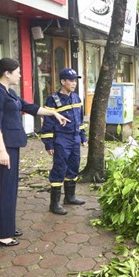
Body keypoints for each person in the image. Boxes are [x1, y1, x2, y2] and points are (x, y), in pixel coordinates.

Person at [0, 58, 68, 247]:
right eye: (17, 71)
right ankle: (0, 234)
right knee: (4, 188)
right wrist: (2, 151)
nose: (20, 75)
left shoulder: (9, 91)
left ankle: (7, 226)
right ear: (7, 73)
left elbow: (30, 107)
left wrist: (53, 113)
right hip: (3, 147)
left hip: (12, 145)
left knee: (11, 187)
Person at [40, 68, 88, 215]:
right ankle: (54, 204)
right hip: (61, 139)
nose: (74, 83)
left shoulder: (76, 98)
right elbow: (47, 122)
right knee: (59, 168)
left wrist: (83, 136)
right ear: (63, 81)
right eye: (71, 80)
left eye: (75, 81)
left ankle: (70, 197)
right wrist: (48, 143)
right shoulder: (53, 99)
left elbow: (80, 119)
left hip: (75, 138)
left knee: (74, 166)